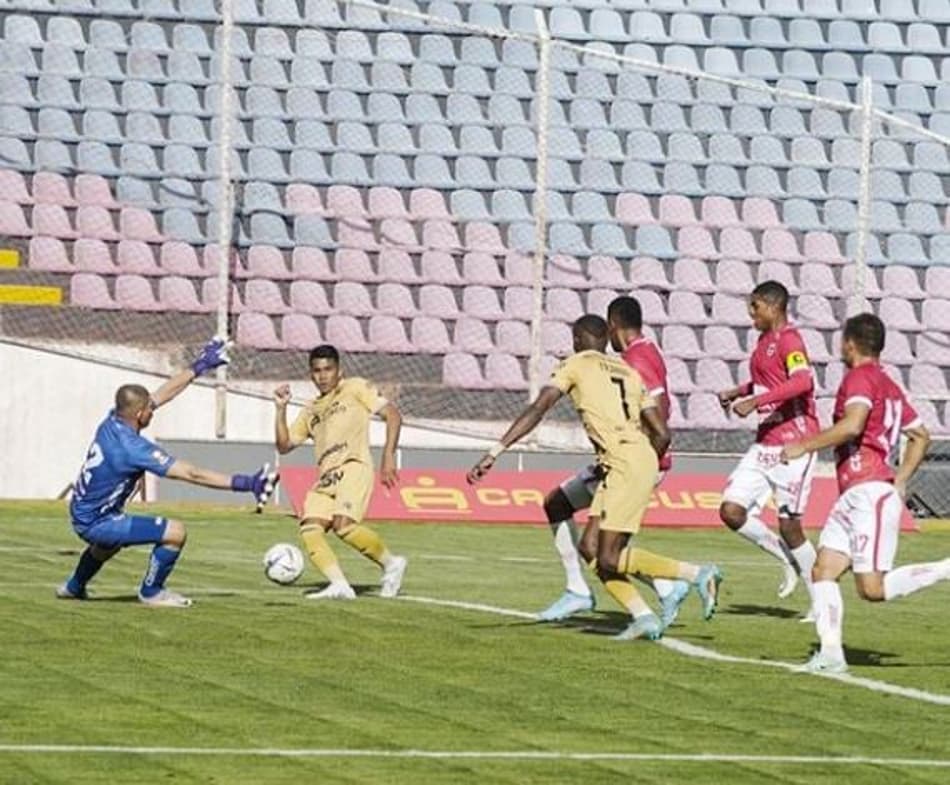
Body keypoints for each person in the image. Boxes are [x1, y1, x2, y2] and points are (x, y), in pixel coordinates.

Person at [468, 315, 722, 641]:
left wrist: (495, 451)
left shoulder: (574, 364)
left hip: (624, 463)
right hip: (633, 459)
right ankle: (642, 616)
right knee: (590, 545)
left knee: (608, 556)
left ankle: (697, 574)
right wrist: (639, 462)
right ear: (605, 340)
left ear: (577, 340)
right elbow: (662, 432)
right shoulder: (628, 372)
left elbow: (538, 408)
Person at [781, 314, 949, 673]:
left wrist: (805, 445)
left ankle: (947, 569)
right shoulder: (889, 384)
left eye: (842, 341)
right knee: (823, 569)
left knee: (871, 589)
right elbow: (920, 435)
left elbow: (854, 424)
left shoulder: (859, 378)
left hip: (868, 492)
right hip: (858, 492)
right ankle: (830, 655)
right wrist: (901, 478)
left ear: (850, 343)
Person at [58, 338, 280, 608]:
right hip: (98, 522)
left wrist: (200, 366)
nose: (154, 408)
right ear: (140, 414)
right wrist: (247, 484)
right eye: (150, 408)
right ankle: (152, 592)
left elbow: (162, 394)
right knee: (174, 532)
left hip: (84, 512)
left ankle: (73, 587)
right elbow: (192, 474)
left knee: (106, 546)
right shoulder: (134, 449)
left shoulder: (112, 420)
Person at [537, 296, 690, 629]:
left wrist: (646, 456)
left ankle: (671, 583)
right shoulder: (642, 353)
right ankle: (665, 588)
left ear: (612, 325)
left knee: (590, 539)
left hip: (631, 459)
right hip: (633, 456)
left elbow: (659, 413)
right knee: (591, 533)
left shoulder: (637, 359)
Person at [717, 280, 819, 615]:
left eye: (755, 308)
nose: (751, 315)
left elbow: (802, 381)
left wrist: (755, 401)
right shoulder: (764, 342)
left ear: (773, 306)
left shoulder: (791, 340)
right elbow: (769, 380)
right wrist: (738, 391)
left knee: (791, 526)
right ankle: (786, 559)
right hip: (766, 442)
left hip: (795, 442)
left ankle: (821, 601)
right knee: (731, 510)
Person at [274, 344, 407, 600]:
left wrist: (388, 455)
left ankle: (391, 563)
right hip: (326, 476)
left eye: (328, 369)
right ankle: (340, 585)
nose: (323, 376)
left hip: (353, 466)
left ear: (339, 370)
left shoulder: (355, 388)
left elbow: (393, 415)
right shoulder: (311, 409)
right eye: (317, 371)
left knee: (343, 526)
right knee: (310, 529)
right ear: (310, 374)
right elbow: (284, 445)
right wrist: (280, 409)